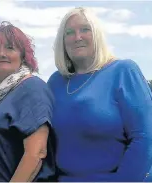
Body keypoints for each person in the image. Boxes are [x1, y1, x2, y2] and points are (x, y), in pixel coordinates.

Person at [47, 7, 152, 182]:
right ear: (62, 41)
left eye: (85, 29)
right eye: (69, 32)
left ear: (97, 35)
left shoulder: (123, 71)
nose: (77, 37)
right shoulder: (55, 82)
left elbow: (145, 137)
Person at [0, 21, 57, 182]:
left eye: (10, 47)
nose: (1, 53)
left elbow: (36, 153)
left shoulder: (32, 88)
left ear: (23, 55)